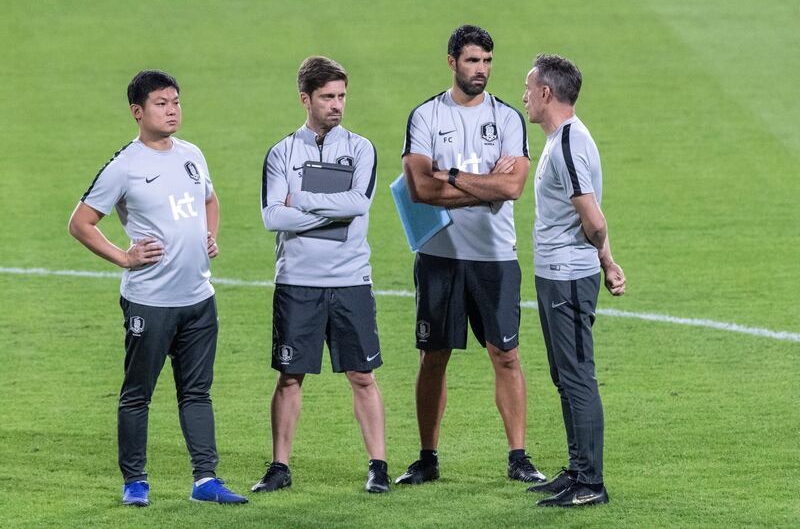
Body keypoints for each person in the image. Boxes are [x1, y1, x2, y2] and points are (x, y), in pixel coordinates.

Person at [67, 70, 247, 506]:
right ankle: (135, 483)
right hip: (151, 300)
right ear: (138, 111)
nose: (172, 110)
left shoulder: (191, 154)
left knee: (198, 392)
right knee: (137, 394)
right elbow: (81, 223)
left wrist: (210, 235)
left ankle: (206, 481)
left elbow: (209, 198)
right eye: (162, 104)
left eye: (176, 102)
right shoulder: (124, 166)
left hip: (199, 298)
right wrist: (124, 257)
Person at [397, 25, 546, 486]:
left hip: (495, 256)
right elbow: (420, 188)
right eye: (472, 61)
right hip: (439, 255)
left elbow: (514, 186)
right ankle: (427, 457)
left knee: (506, 354)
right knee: (434, 355)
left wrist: (454, 175)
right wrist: (484, 191)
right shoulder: (424, 116)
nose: (481, 70)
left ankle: (518, 456)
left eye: (487, 62)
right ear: (452, 62)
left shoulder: (507, 119)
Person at [253, 56, 389, 494]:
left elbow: (358, 205)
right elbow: (274, 216)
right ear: (305, 99)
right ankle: (279, 467)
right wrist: (329, 215)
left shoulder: (362, 148)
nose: (336, 105)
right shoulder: (282, 152)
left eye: (342, 96)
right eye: (327, 97)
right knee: (290, 376)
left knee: (363, 376)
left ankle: (379, 466)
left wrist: (304, 202)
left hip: (351, 279)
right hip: (297, 281)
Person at [521, 54, 626, 507]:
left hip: (567, 277)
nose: (524, 96)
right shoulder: (559, 139)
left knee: (578, 376)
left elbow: (594, 218)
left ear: (547, 93)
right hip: (556, 274)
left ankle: (591, 483)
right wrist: (606, 261)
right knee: (565, 376)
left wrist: (602, 258)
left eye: (529, 89)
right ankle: (577, 468)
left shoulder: (568, 143)